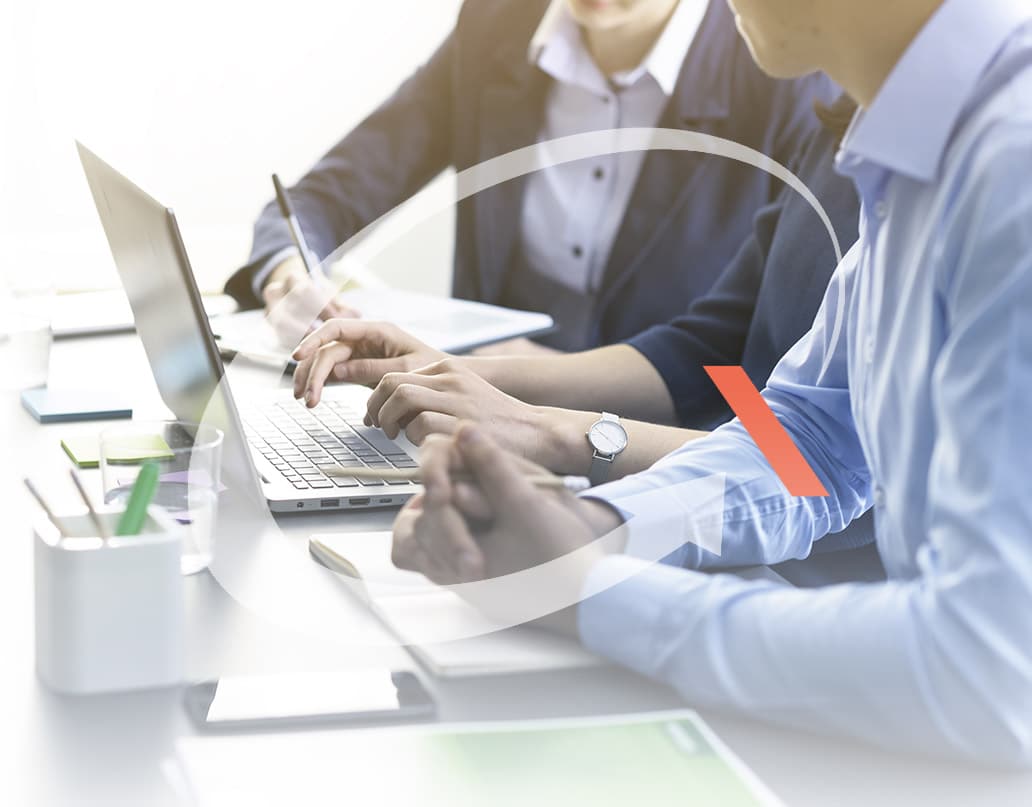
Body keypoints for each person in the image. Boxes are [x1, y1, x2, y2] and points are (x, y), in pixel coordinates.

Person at [388, 0, 1032, 764]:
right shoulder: (888, 134)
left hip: (848, 615)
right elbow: (810, 433)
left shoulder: (983, 154)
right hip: (782, 578)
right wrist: (594, 521)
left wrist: (584, 466)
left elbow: (993, 667)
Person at [291, 95, 862, 485]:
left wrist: (550, 434)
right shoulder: (841, 129)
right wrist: (455, 373)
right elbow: (713, 355)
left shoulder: (924, 183)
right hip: (740, 512)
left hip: (813, 576)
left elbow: (814, 465)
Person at [225, 0, 833, 352]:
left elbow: (779, 418)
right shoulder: (498, 23)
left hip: (679, 447)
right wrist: (291, 273)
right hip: (476, 415)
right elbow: (329, 193)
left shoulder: (786, 71)